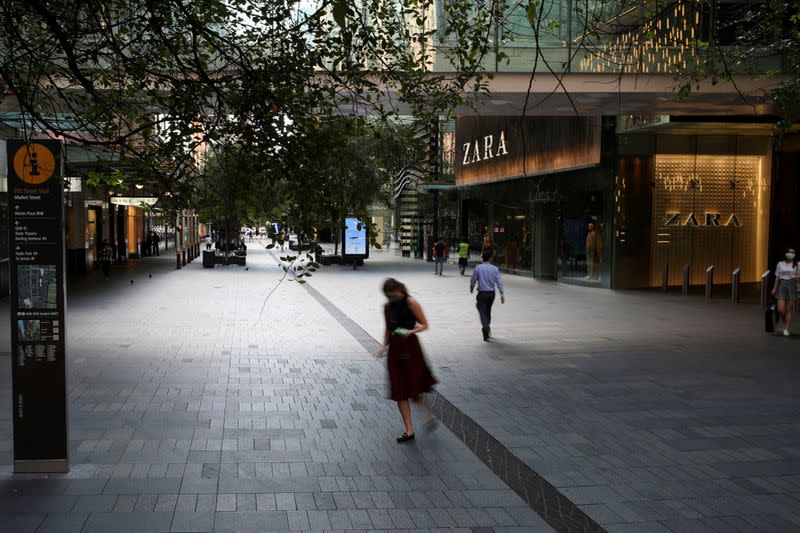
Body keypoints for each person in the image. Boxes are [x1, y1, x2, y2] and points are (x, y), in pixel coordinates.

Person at [377, 278, 437, 443]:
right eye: (387, 296)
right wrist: (384, 345)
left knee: (414, 386)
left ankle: (427, 413)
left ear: (399, 291)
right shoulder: (387, 307)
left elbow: (425, 325)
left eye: (392, 295)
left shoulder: (412, 303)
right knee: (400, 390)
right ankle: (409, 430)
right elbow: (388, 328)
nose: (390, 299)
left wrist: (412, 332)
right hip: (395, 350)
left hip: (410, 347)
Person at [470, 252, 505, 341]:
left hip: (482, 293)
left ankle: (485, 327)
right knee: (487, 310)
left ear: (482, 259)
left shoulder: (478, 268)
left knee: (482, 310)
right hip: (491, 294)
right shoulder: (495, 269)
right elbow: (499, 282)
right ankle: (487, 326)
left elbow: (473, 279)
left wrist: (472, 287)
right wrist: (502, 294)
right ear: (490, 259)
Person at [772, 247, 799, 336]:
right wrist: (774, 288)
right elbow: (777, 277)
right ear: (785, 253)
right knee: (780, 309)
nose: (790, 254)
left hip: (792, 285)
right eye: (789, 252)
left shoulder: (797, 264)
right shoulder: (780, 264)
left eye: (792, 252)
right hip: (782, 285)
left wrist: (797, 278)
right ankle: (784, 322)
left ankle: (786, 328)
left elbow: (799, 277)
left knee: (788, 309)